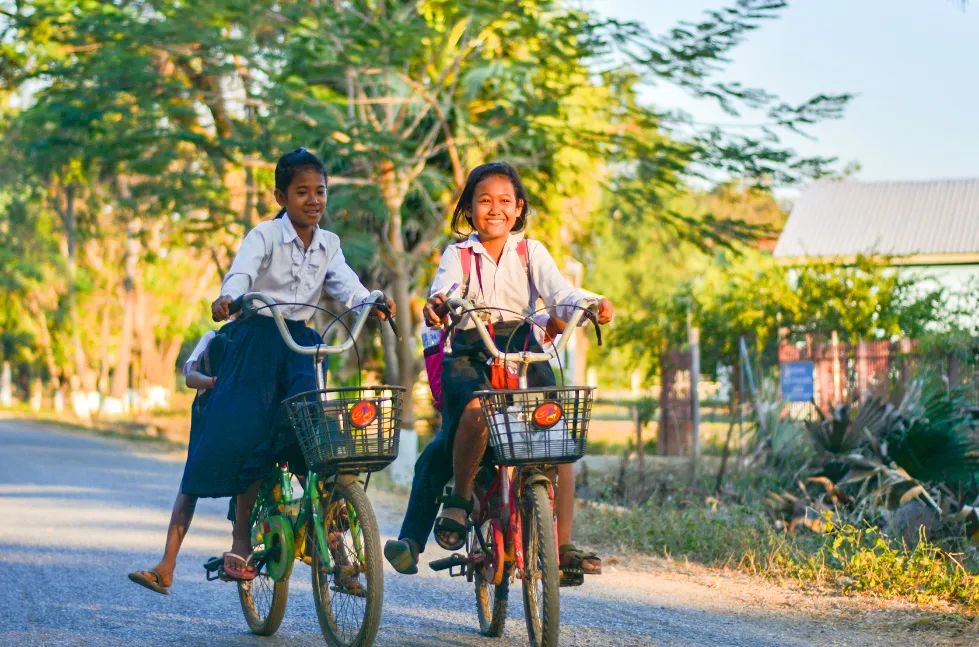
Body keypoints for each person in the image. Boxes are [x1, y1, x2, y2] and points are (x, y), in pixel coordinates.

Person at [147, 148, 392, 585]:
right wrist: (228, 298)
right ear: (281, 196)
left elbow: (347, 285)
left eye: (321, 192)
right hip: (257, 341)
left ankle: (335, 545)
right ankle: (238, 543)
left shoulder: (329, 243)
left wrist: (370, 301)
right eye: (302, 192)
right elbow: (241, 275)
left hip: (299, 344)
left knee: (318, 442)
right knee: (247, 439)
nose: (314, 200)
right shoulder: (263, 236)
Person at [384, 162, 613, 580]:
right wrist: (439, 305)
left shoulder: (532, 253)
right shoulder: (458, 255)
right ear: (469, 210)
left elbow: (561, 295)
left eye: (505, 201)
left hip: (523, 345)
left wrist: (589, 304)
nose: (495, 209)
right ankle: (461, 496)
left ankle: (562, 546)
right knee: (474, 411)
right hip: (473, 348)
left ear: (519, 208)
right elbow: (445, 292)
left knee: (559, 434)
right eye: (484, 201)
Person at [127, 329, 228, 595]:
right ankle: (167, 565)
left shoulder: (272, 337)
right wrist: (215, 382)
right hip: (215, 419)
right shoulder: (214, 338)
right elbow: (190, 375)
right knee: (190, 484)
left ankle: (343, 561)